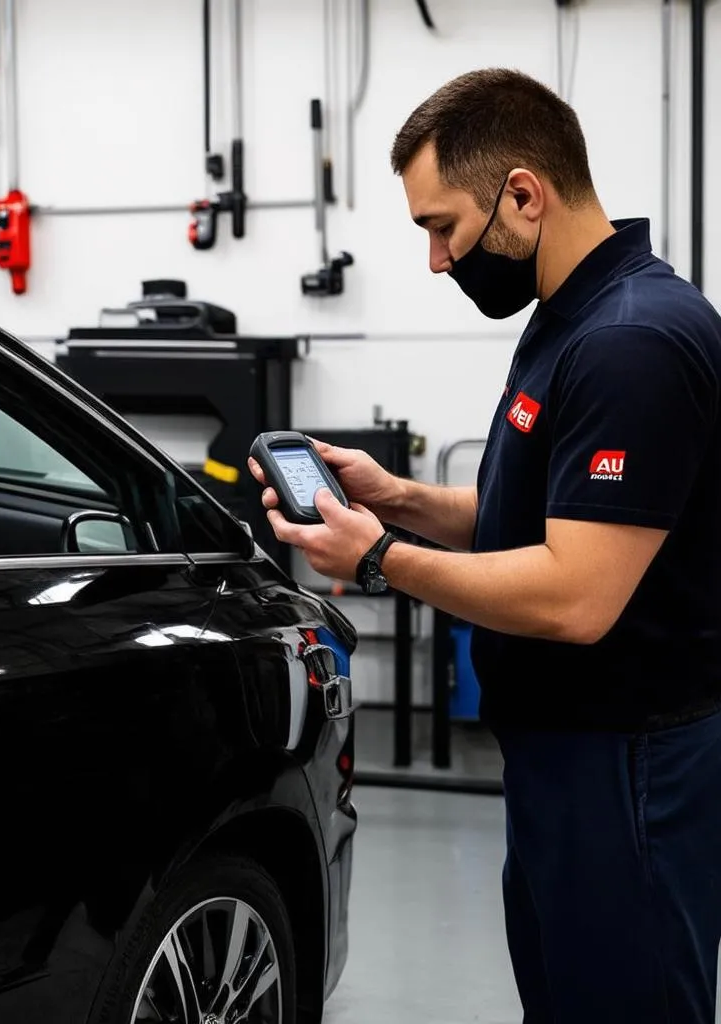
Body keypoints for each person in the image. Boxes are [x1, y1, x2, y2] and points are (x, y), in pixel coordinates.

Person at [249, 68, 721, 1023]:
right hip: (564, 759)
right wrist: (404, 501)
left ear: (522, 193)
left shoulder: (631, 340)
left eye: (442, 226)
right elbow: (547, 519)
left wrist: (378, 557)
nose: (435, 259)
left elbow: (575, 596)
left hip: (627, 769)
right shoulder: (571, 318)